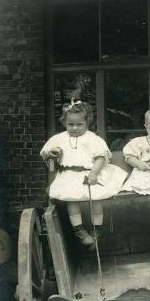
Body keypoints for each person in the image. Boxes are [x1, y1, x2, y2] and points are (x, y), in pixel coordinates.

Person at [40, 100, 127, 248]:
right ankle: (79, 230)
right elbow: (45, 152)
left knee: (96, 198)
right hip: (68, 175)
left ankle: (97, 230)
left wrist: (94, 173)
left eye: (79, 125)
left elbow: (100, 157)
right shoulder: (59, 138)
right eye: (70, 125)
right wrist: (52, 152)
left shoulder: (92, 138)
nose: (74, 128)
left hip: (89, 174)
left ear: (87, 123)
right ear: (64, 122)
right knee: (71, 199)